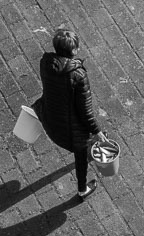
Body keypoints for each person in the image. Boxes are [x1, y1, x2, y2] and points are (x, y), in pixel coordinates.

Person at [36, 29, 106, 201]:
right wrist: (99, 133)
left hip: (51, 119)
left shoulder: (45, 63)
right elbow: (86, 113)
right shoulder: (78, 75)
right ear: (74, 51)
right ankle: (82, 190)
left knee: (82, 148)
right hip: (71, 131)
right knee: (80, 157)